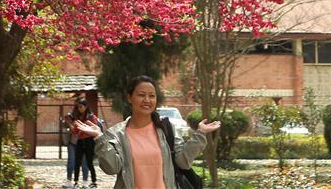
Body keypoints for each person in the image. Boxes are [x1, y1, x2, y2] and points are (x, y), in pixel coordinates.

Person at [74, 75, 221, 189]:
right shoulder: (116, 134)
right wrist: (99, 137)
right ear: (129, 98)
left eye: (152, 95)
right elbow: (111, 168)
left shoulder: (166, 129)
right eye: (141, 95)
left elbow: (183, 162)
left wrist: (200, 134)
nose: (147, 100)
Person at [65, 96, 100, 188]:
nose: (79, 109)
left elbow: (95, 129)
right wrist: (72, 127)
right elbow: (76, 131)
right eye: (78, 107)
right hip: (80, 141)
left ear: (85, 106)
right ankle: (76, 182)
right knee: (77, 161)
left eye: (81, 107)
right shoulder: (77, 117)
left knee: (88, 162)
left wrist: (86, 130)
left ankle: (92, 182)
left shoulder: (92, 117)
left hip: (89, 141)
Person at [64, 109, 90, 189]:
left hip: (84, 145)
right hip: (73, 144)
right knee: (71, 162)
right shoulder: (72, 117)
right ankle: (69, 181)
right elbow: (66, 117)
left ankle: (85, 182)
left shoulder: (89, 119)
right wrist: (71, 124)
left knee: (85, 163)